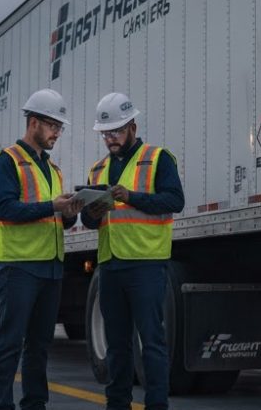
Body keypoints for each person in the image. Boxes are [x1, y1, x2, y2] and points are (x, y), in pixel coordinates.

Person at [81, 92, 185, 410]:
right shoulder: (97, 170)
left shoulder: (158, 159)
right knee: (117, 345)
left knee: (152, 342)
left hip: (146, 265)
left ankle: (157, 404)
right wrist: (91, 211)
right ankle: (117, 404)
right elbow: (87, 219)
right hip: (110, 265)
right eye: (105, 133)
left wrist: (132, 196)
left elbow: (174, 201)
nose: (110, 139)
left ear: (133, 128)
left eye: (116, 132)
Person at [0, 88, 82, 410]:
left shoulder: (52, 169)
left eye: (60, 127)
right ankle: (0, 406)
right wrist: (51, 206)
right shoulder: (7, 161)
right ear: (34, 122)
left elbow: (54, 219)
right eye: (53, 125)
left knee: (40, 346)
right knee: (9, 342)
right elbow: (6, 210)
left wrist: (67, 214)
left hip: (50, 266)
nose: (57, 133)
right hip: (17, 266)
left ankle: (35, 405)